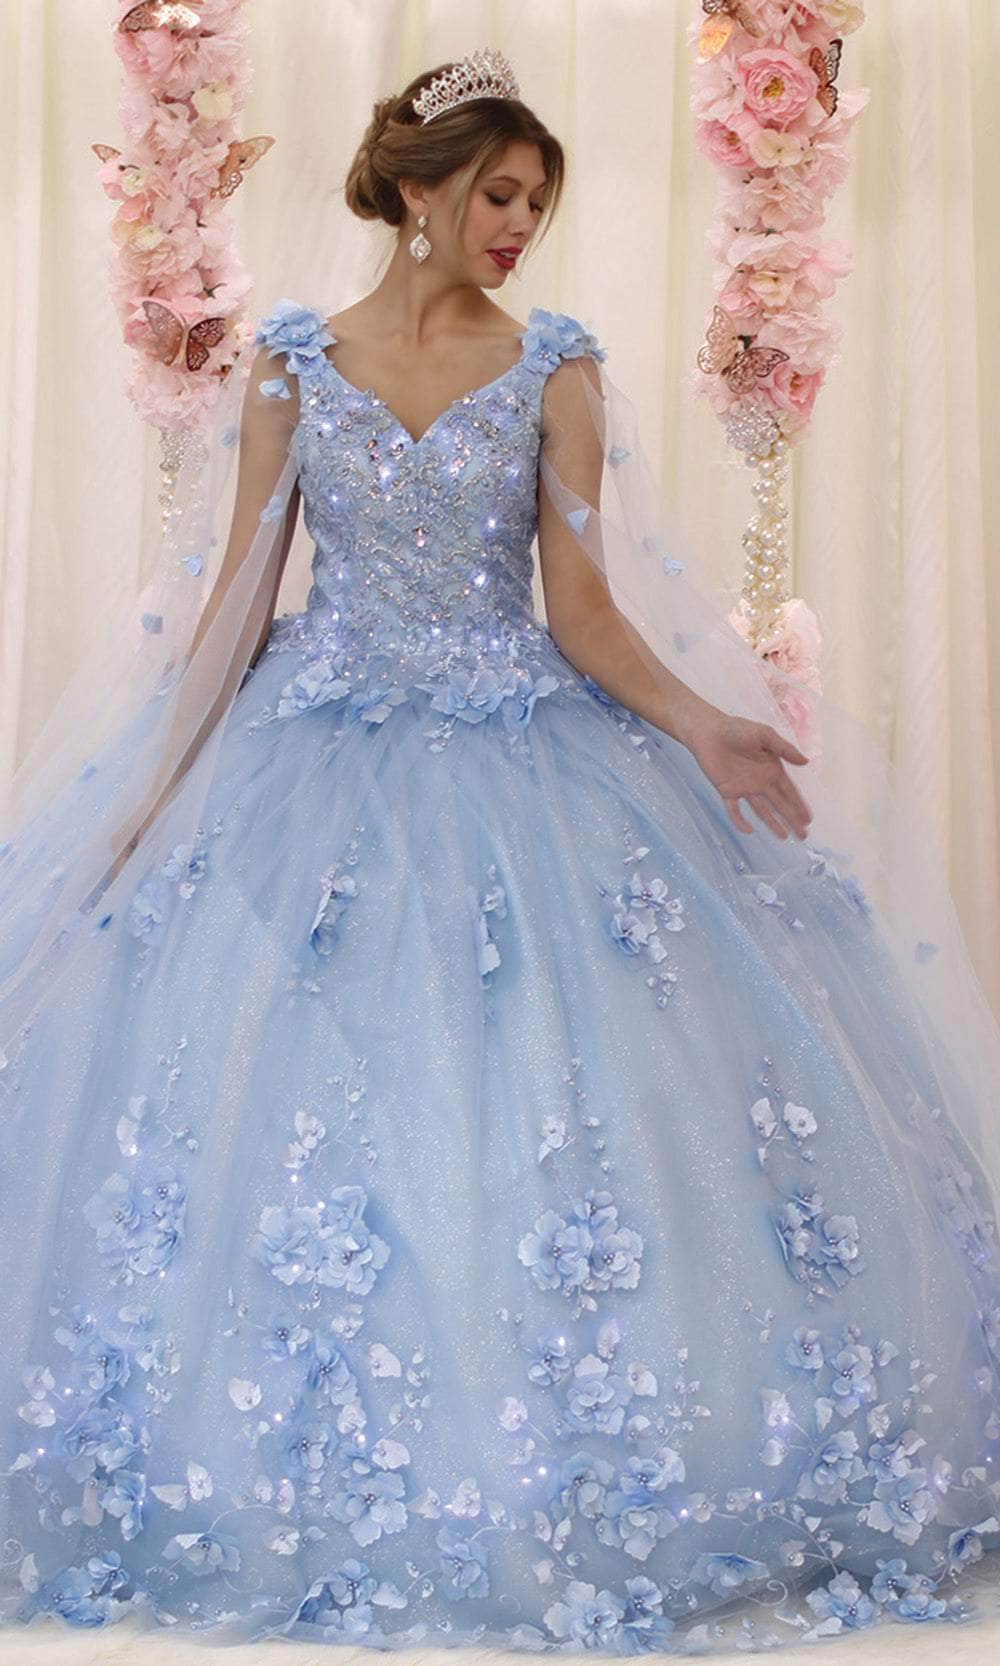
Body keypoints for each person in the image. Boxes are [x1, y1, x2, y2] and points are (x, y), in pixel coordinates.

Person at [1, 47, 999, 1656]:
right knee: (309, 1101)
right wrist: (142, 802)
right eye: (499, 193)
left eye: (537, 201)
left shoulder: (555, 369)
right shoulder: (292, 368)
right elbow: (237, 609)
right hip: (315, 762)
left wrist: (706, 724)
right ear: (418, 189)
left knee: (529, 1097)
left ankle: (539, 1447)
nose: (521, 225)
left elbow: (582, 613)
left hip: (513, 755)